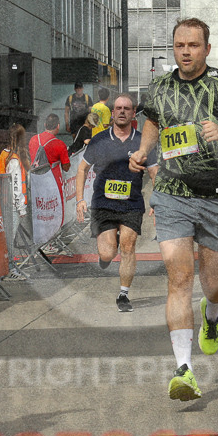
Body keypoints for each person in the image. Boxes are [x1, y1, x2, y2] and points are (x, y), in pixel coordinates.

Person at [128, 17, 218, 401]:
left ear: (206, 48)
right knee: (179, 279)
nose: (186, 51)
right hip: (171, 193)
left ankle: (213, 316)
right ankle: (184, 369)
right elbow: (153, 122)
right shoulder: (159, 87)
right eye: (180, 45)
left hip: (217, 197)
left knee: (212, 281)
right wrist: (142, 150)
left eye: (193, 45)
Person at [75, 93, 158, 312]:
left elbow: (154, 171)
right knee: (108, 253)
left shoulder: (143, 141)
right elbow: (82, 169)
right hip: (104, 204)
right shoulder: (99, 140)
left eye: (126, 108)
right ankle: (108, 252)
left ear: (133, 114)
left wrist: (156, 202)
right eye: (118, 108)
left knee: (128, 246)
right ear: (112, 113)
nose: (122, 111)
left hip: (131, 203)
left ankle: (123, 295)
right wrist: (80, 199)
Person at [0, 124, 31, 280]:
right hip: (12, 206)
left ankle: (9, 266)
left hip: (4, 202)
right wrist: (21, 208)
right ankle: (9, 268)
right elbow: (16, 186)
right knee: (9, 239)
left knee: (8, 238)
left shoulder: (5, 154)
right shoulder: (15, 161)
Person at [28, 113, 71, 191]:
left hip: (35, 181)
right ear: (58, 126)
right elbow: (66, 167)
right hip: (53, 183)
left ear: (45, 124)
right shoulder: (60, 144)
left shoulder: (33, 139)